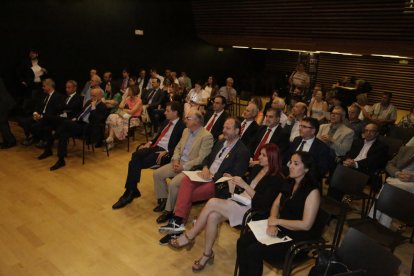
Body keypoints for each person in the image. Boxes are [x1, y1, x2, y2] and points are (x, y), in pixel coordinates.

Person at [167, 144, 285, 272]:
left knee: (212, 202)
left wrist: (245, 185)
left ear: (272, 158)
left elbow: (263, 203)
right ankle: (207, 255)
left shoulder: (277, 178)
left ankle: (190, 236)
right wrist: (232, 181)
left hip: (252, 210)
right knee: (212, 216)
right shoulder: (257, 169)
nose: (259, 158)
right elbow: (244, 190)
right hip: (240, 201)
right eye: (260, 154)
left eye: (263, 155)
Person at [157, 117, 250, 232]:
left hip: (218, 183)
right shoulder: (220, 142)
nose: (224, 130)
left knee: (186, 193)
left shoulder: (242, 151)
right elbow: (207, 158)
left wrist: (213, 176)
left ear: (237, 131)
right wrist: (205, 167)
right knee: (186, 180)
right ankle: (178, 222)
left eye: (228, 128)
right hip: (205, 175)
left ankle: (178, 222)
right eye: (223, 127)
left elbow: (235, 175)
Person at [236, 151, 321, 276]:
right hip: (281, 228)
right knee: (242, 241)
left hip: (298, 238)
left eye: (296, 164)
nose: (290, 166)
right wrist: (272, 221)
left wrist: (277, 221)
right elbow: (275, 204)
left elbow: (306, 225)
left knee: (254, 250)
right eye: (290, 162)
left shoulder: (312, 191)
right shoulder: (290, 182)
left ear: (307, 168)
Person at [111, 102, 185, 209]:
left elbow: (182, 144)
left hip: (163, 153)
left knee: (135, 163)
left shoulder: (182, 127)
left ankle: (130, 192)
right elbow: (158, 135)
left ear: (175, 112)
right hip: (154, 147)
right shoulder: (166, 122)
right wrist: (149, 143)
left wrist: (169, 151)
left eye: (168, 111)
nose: (164, 113)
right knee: (135, 155)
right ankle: (132, 190)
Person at [153, 110, 214, 220]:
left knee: (174, 183)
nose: (185, 120)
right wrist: (176, 160)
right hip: (178, 163)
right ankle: (164, 200)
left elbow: (201, 158)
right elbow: (178, 147)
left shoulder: (206, 136)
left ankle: (169, 210)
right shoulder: (186, 131)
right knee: (157, 174)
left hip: (191, 168)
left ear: (197, 121)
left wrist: (184, 166)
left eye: (188, 118)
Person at [47, 87, 109, 170]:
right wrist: (75, 118)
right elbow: (81, 113)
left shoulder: (103, 107)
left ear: (101, 96)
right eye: (91, 96)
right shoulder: (89, 102)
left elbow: (95, 121)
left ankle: (52, 139)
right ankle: (61, 160)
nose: (92, 98)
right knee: (63, 131)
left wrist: (93, 108)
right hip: (78, 124)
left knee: (65, 123)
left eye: (94, 96)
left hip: (87, 128)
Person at [368, 145, 414, 227]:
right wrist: (397, 173)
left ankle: (372, 218)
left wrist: (412, 178)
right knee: (391, 189)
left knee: (390, 188)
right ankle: (383, 226)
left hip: (411, 183)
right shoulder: (406, 149)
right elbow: (389, 164)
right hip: (398, 178)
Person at [19, 78, 64, 146]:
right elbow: (37, 105)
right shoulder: (43, 95)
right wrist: (35, 113)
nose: (42, 88)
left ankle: (43, 139)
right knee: (23, 121)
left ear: (49, 86)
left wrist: (42, 117)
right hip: (39, 116)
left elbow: (55, 111)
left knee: (35, 126)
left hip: (48, 119)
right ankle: (34, 137)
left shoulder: (58, 96)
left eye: (44, 86)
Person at [105, 82, 143, 150]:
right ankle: (111, 137)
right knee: (112, 116)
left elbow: (132, 112)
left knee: (117, 120)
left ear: (134, 91)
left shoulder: (139, 101)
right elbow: (120, 107)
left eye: (130, 90)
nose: (128, 91)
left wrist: (124, 110)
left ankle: (111, 141)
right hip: (125, 116)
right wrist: (125, 97)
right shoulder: (128, 98)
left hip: (134, 119)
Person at [0, 78, 17, 149]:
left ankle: (11, 141)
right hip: (4, 102)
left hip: (4, 103)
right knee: (3, 122)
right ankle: (7, 140)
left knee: (2, 122)